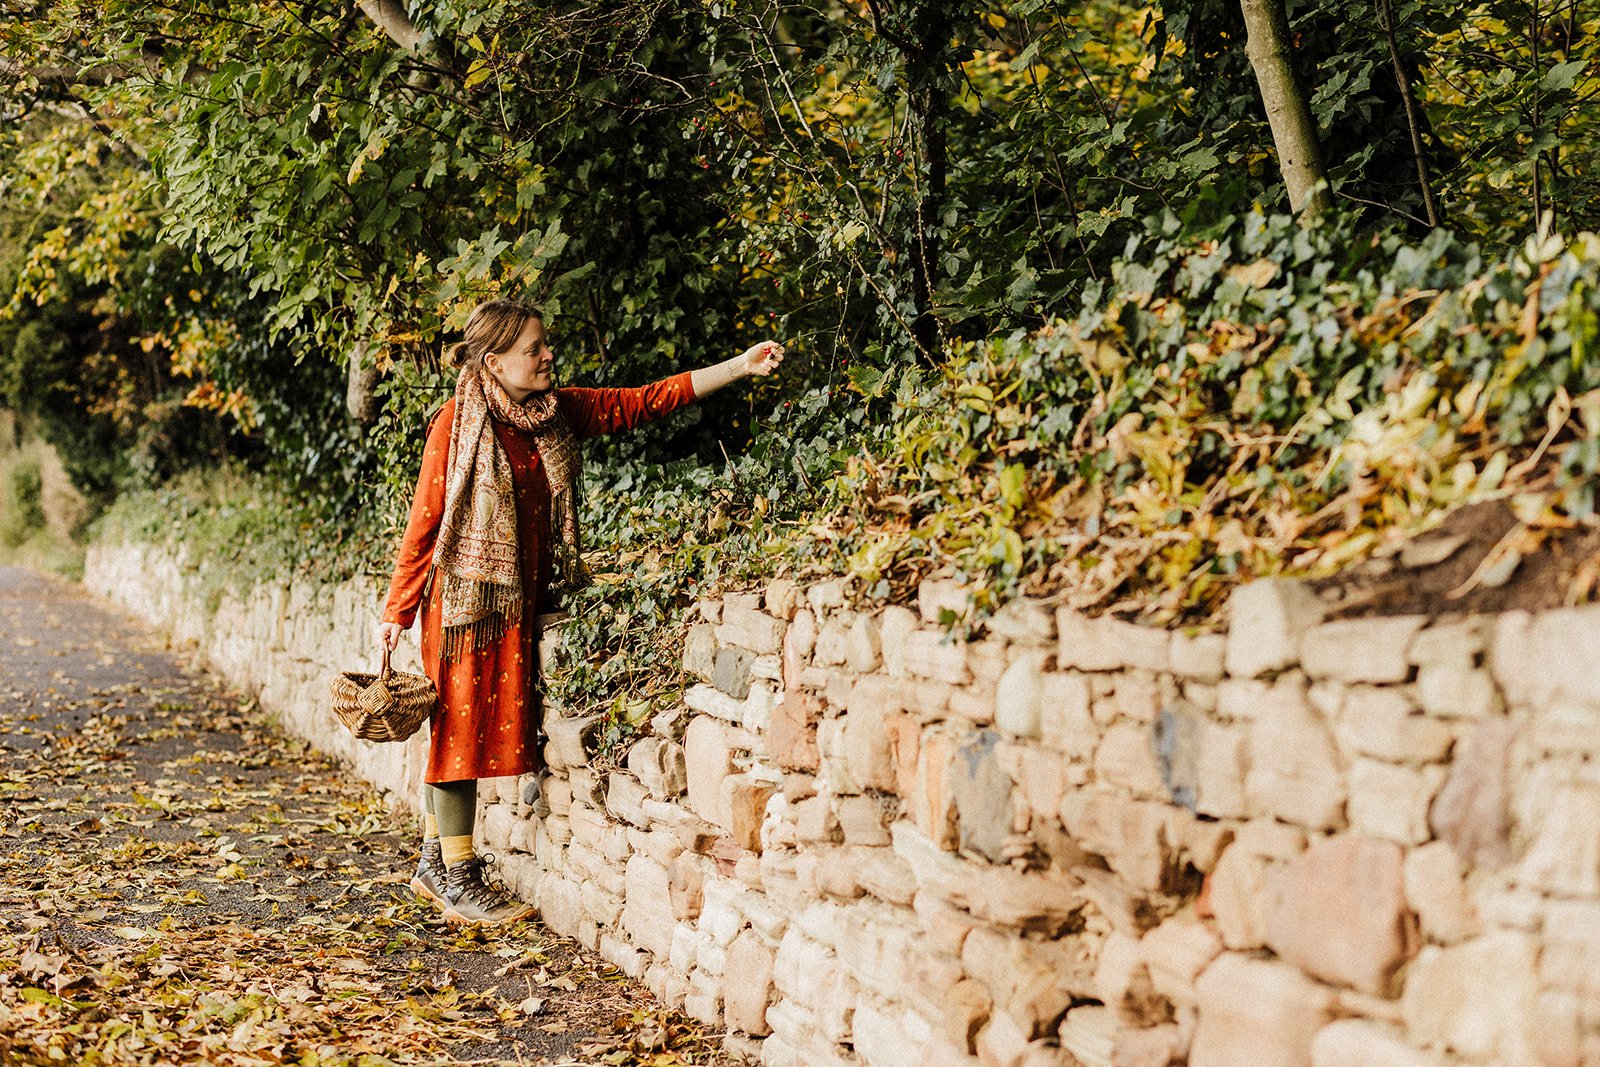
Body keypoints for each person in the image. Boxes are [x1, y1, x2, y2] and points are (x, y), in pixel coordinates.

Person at [376, 298, 783, 925]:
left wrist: (739, 365)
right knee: (461, 731)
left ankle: (435, 861)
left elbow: (643, 400)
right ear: (495, 362)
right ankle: (456, 875)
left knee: (471, 726)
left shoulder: (554, 412)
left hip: (524, 600)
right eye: (534, 349)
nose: (547, 356)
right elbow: (425, 522)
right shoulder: (457, 423)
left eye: (545, 344)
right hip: (468, 605)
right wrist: (396, 611)